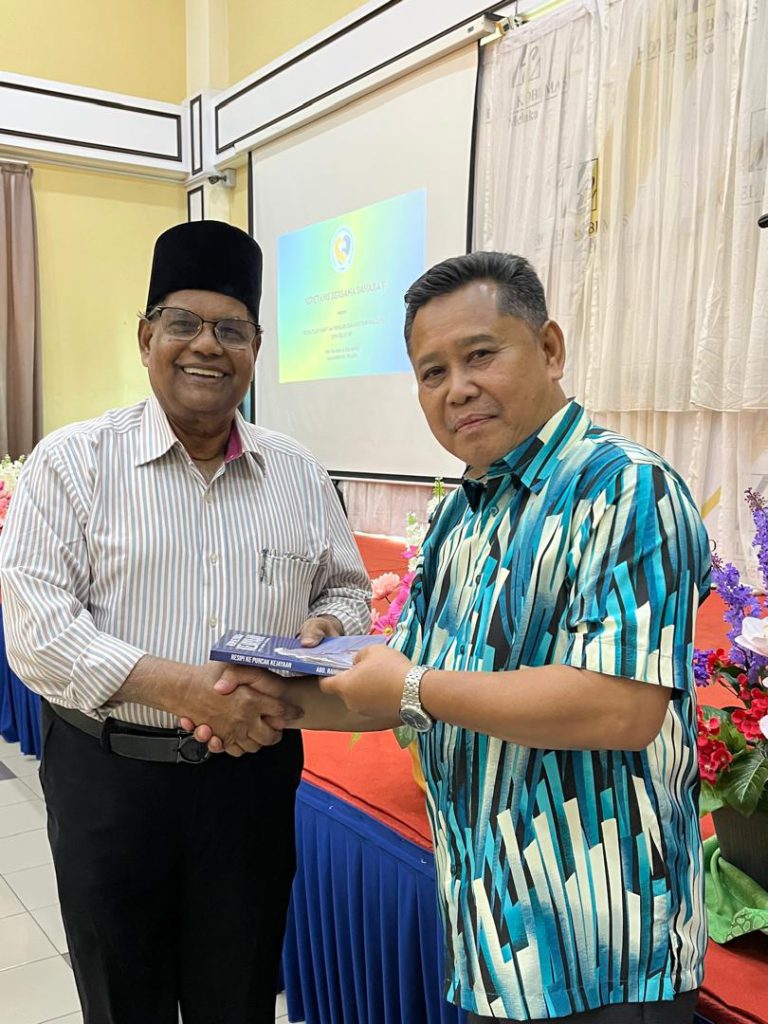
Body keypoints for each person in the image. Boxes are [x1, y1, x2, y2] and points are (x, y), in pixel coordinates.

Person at [191, 252, 710, 1023]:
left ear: (550, 348)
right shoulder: (457, 517)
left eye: (480, 355)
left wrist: (410, 686)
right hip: (492, 936)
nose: (456, 388)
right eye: (432, 372)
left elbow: (620, 707)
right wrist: (269, 702)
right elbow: (399, 688)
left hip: (607, 952)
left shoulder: (626, 486)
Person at [0, 220, 371, 1024]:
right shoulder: (72, 462)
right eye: (184, 323)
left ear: (255, 349)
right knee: (121, 1000)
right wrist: (187, 692)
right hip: (109, 780)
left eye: (231, 329)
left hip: (250, 784)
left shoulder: (298, 472)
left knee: (238, 996)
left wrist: (319, 633)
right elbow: (38, 631)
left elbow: (347, 592)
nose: (207, 345)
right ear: (146, 338)